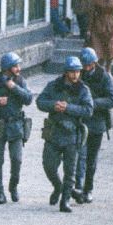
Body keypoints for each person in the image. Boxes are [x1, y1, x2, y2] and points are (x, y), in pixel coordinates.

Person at [36, 56, 93, 213]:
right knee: (49, 165)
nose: (75, 75)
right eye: (72, 72)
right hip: (54, 132)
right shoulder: (54, 86)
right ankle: (58, 186)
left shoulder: (83, 90)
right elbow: (40, 102)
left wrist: (68, 108)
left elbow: (88, 110)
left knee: (70, 170)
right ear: (66, 72)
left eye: (78, 72)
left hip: (72, 134)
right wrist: (53, 106)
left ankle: (65, 200)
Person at [0, 52, 33, 204]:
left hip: (15, 125)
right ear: (7, 68)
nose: (19, 68)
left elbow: (28, 99)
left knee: (17, 159)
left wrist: (14, 88)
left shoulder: (20, 81)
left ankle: (13, 187)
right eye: (15, 66)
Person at [73, 48, 113, 205]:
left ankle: (88, 188)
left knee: (91, 159)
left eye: (89, 65)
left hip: (97, 123)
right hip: (82, 121)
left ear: (94, 63)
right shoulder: (78, 74)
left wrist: (93, 103)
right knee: (80, 155)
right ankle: (78, 187)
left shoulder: (104, 76)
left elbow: (111, 99)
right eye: (84, 65)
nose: (85, 68)